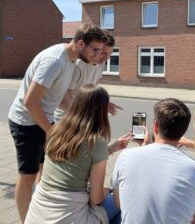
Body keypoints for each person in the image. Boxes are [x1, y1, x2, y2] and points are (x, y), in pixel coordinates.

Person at [8, 25, 112, 223]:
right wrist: (51, 130)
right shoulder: (54, 61)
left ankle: (41, 212)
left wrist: (80, 116)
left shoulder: (71, 61)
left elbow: (61, 97)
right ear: (81, 43)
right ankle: (25, 220)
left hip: (45, 120)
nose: (98, 55)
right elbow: (30, 101)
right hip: (26, 122)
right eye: (96, 50)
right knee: (27, 175)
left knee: (44, 170)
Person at [25, 84, 129, 224]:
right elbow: (96, 199)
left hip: (38, 211)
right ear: (101, 111)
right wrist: (108, 192)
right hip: (69, 216)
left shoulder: (56, 130)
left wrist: (109, 150)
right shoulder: (96, 141)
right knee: (122, 199)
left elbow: (76, 158)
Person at [111, 98, 195, 224]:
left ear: (155, 126)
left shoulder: (126, 157)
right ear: (183, 130)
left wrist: (145, 147)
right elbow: (194, 219)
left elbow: (119, 204)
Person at [54, 25, 122, 122]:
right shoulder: (79, 64)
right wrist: (82, 116)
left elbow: (91, 91)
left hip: (82, 117)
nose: (106, 58)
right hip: (65, 119)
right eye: (103, 53)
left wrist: (102, 105)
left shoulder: (100, 63)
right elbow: (64, 96)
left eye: (110, 54)